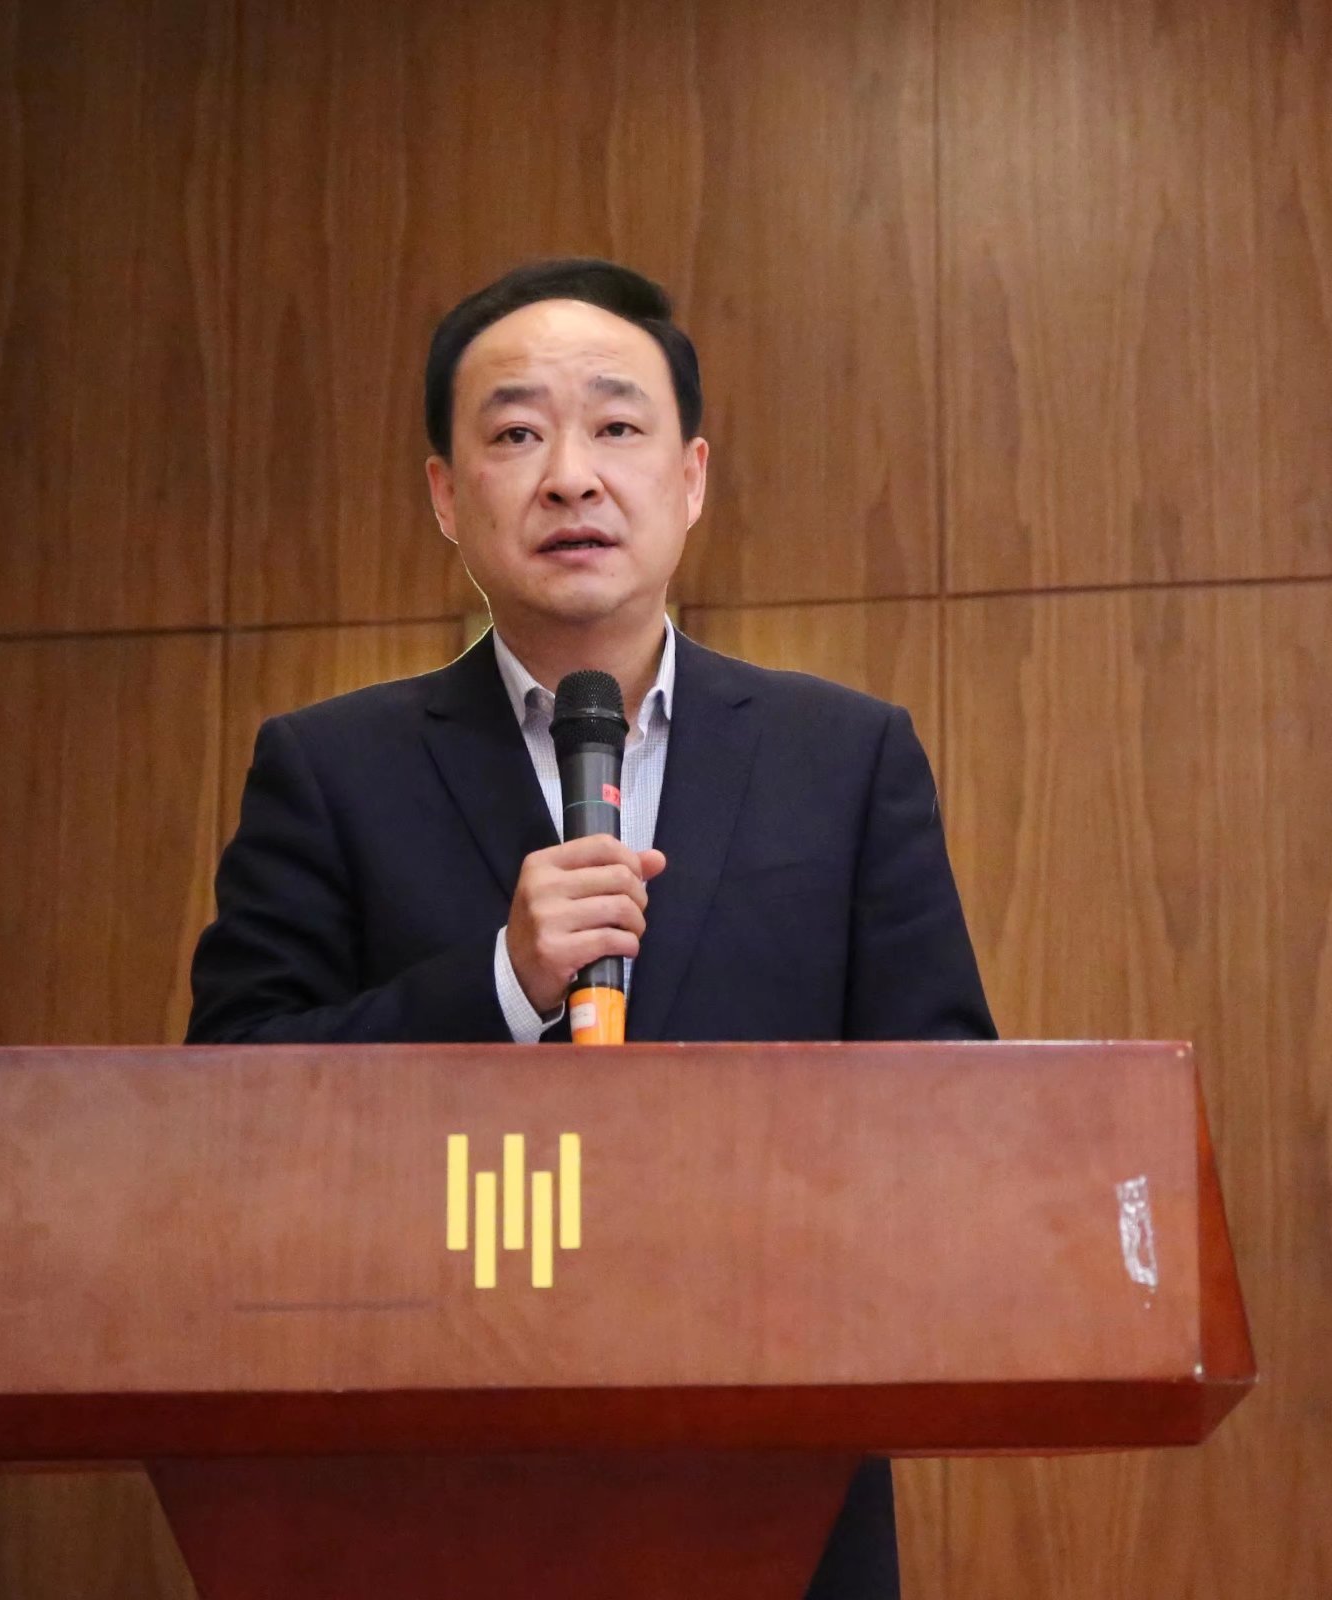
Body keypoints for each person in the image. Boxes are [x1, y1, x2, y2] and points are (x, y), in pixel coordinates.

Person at [187, 258, 995, 1598]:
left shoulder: (845, 759)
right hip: (427, 1486)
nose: (570, 477)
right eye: (516, 435)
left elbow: (950, 1107)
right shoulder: (329, 769)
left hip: (773, 1483)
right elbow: (225, 1107)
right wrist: (502, 985)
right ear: (446, 495)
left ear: (690, 476)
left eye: (616, 426)